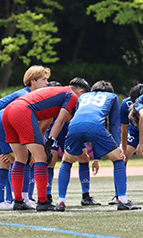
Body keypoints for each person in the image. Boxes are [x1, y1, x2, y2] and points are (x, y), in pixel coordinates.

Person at [0, 65, 50, 210]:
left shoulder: (30, 96)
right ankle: (10, 200)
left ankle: (7, 200)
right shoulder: (24, 96)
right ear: (32, 81)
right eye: (44, 79)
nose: (47, 83)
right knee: (14, 160)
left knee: (12, 161)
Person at [2, 79, 87, 211]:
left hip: (8, 111)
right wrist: (49, 144)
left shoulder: (55, 94)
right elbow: (60, 121)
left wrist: (45, 142)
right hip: (22, 111)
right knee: (41, 158)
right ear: (80, 92)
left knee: (20, 158)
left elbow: (44, 124)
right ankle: (43, 202)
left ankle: (18, 201)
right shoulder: (72, 96)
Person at [55, 80, 141, 211]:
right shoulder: (112, 97)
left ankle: (61, 201)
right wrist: (117, 146)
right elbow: (113, 124)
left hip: (74, 126)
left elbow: (81, 117)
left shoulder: (83, 96)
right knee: (118, 159)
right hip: (95, 126)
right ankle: (122, 200)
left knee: (66, 161)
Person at [43, 78, 101, 207]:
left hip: (70, 127)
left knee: (84, 157)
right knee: (50, 159)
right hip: (54, 126)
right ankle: (47, 196)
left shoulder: (79, 100)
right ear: (81, 92)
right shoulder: (63, 93)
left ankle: (85, 196)